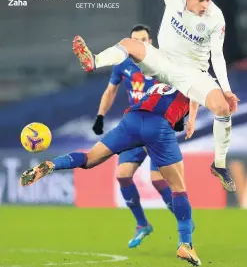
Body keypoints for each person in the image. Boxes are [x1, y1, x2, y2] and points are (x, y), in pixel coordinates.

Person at [72, 0, 239, 192]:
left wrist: (227, 90)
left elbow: (217, 56)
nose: (205, 6)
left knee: (222, 108)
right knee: (130, 43)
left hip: (192, 73)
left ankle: (219, 164)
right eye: (201, 1)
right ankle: (94, 61)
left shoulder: (215, 18)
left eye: (209, 0)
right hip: (163, 60)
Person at [20, 83, 201, 266]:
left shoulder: (160, 82)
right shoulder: (194, 81)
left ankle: (52, 164)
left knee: (89, 158)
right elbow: (195, 100)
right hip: (158, 126)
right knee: (178, 188)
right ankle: (185, 243)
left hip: (132, 120)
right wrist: (192, 119)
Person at [93, 24, 183, 248]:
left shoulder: (162, 63)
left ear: (150, 42)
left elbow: (181, 87)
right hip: (134, 127)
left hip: (157, 127)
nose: (139, 43)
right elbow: (111, 90)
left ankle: (183, 220)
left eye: (143, 39)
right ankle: (142, 225)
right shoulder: (123, 64)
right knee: (123, 175)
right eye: (135, 39)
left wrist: (180, 116)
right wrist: (100, 116)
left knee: (158, 180)